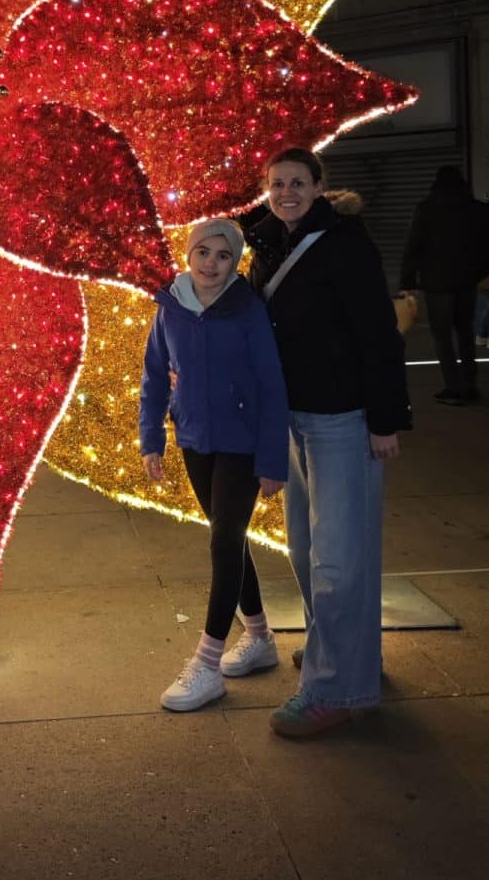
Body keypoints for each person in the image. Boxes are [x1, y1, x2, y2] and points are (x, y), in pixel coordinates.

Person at [247, 147, 410, 738]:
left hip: (343, 418)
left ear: (319, 186)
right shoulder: (267, 245)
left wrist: (385, 418)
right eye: (276, 183)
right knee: (304, 548)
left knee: (340, 559)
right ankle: (338, 650)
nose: (286, 191)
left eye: (297, 182)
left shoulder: (344, 244)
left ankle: (337, 687)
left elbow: (377, 331)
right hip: (293, 417)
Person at [139, 219, 289, 712]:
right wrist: (152, 438)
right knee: (230, 538)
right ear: (188, 255)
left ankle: (206, 664)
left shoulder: (248, 310)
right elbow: (155, 374)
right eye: (202, 252)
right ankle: (262, 637)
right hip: (195, 441)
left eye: (223, 256)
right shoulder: (171, 307)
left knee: (223, 542)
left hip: (242, 443)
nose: (210, 263)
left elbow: (271, 386)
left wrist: (272, 460)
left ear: (235, 262)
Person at [400, 166, 489, 405]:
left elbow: (413, 245)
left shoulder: (427, 209)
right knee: (465, 332)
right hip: (467, 282)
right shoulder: (477, 209)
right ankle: (470, 384)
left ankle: (453, 387)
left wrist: (407, 282)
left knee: (442, 337)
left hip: (437, 283)